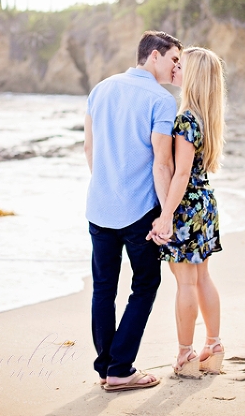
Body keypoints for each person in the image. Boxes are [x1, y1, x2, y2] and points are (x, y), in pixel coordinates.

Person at [84, 30, 182, 391]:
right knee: (145, 285)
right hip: (140, 211)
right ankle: (120, 369)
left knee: (103, 289)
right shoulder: (161, 100)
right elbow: (162, 163)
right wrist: (165, 215)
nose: (176, 67)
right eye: (173, 59)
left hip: (99, 207)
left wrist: (106, 185)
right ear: (154, 55)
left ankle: (105, 367)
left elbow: (88, 148)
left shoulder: (101, 88)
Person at [148, 47, 226, 377]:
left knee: (185, 282)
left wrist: (166, 216)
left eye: (181, 65)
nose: (175, 68)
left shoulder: (184, 119)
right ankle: (214, 344)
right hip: (205, 203)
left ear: (193, 75)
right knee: (202, 276)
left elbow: (180, 173)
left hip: (186, 204)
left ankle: (185, 355)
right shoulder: (207, 116)